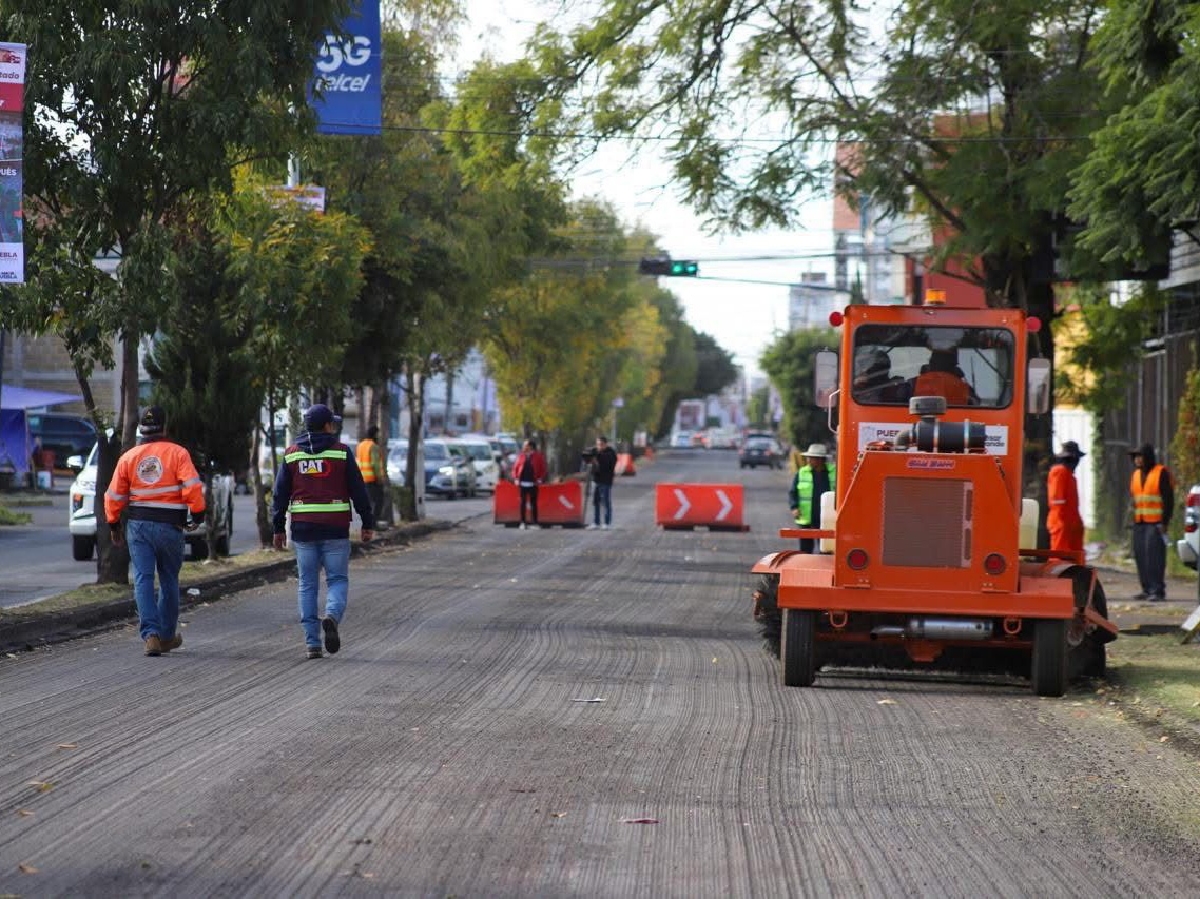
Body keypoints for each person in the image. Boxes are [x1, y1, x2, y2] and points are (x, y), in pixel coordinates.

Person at [272, 403, 375, 659]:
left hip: (303, 529)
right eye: (332, 423)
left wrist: (277, 528)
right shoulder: (341, 452)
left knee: (307, 584)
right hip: (335, 527)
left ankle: (312, 643)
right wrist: (367, 522)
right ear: (327, 426)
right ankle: (331, 616)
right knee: (337, 580)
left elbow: (279, 494)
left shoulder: (292, 454)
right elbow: (358, 490)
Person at [104, 405, 206, 657]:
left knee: (143, 579)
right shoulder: (178, 454)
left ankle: (150, 635)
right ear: (165, 427)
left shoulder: (129, 457)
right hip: (171, 526)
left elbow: (114, 495)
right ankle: (167, 636)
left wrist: (114, 525)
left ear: (141, 428)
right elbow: (193, 488)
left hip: (139, 527)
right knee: (169, 580)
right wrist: (198, 515)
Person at [1128, 442, 1174, 601]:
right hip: (1139, 522)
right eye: (1135, 457)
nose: (1137, 459)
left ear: (1148, 457)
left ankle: (1157, 591)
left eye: (1140, 456)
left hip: (1156, 523)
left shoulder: (1161, 472)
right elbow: (1134, 499)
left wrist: (1164, 522)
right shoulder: (1135, 475)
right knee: (1141, 556)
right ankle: (1147, 589)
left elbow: (1168, 499)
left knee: (1154, 557)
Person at [788, 443, 836, 553]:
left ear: (820, 460)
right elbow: (793, 492)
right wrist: (794, 507)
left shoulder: (835, 472)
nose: (808, 460)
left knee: (826, 550)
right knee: (805, 550)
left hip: (827, 518)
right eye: (808, 457)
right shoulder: (802, 472)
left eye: (811, 458)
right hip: (806, 518)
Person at [1047, 440, 1086, 554]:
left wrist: (1077, 523)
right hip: (1061, 521)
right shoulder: (1059, 472)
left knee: (1075, 556)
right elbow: (1057, 501)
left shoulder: (1069, 475)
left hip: (1071, 522)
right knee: (1059, 556)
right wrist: (1063, 524)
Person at [512, 438, 547, 529]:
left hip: (533, 483)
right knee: (522, 503)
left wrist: (540, 479)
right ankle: (523, 522)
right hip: (522, 483)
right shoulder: (521, 456)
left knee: (533, 503)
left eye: (526, 445)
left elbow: (543, 469)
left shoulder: (538, 456)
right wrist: (516, 478)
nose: (524, 447)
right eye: (524, 446)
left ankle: (535, 522)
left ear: (531, 447)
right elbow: (515, 469)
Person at [586, 434, 619, 529]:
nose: (599, 446)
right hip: (596, 480)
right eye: (597, 444)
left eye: (600, 444)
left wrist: (596, 456)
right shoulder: (595, 452)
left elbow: (606, 462)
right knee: (595, 502)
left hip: (606, 481)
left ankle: (606, 523)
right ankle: (596, 522)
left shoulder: (611, 453)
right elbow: (586, 457)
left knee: (605, 502)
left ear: (605, 444)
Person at [356, 425, 385, 527]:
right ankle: (373, 524)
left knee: (368, 503)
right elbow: (375, 464)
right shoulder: (373, 446)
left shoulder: (360, 445)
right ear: (375, 434)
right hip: (372, 479)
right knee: (378, 501)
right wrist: (380, 478)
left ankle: (368, 523)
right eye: (378, 434)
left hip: (362, 479)